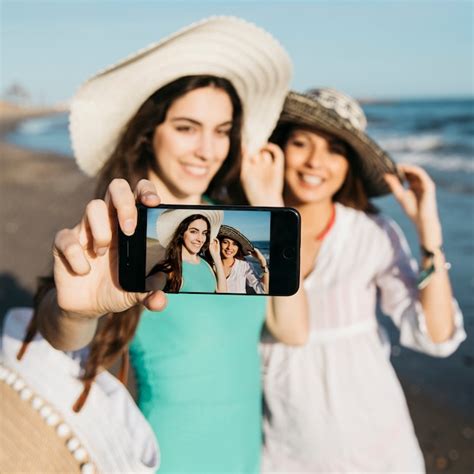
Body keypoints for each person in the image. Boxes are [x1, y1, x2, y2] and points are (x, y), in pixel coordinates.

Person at [23, 17, 308, 473]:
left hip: (244, 454)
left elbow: (292, 331)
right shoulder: (120, 236)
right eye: (186, 127)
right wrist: (73, 311)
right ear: (148, 132)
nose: (207, 150)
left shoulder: (234, 228)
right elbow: (64, 338)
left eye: (222, 130)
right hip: (169, 456)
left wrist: (272, 205)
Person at [243, 89, 466, 472]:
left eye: (335, 150)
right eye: (301, 143)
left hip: (373, 439)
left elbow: (435, 335)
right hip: (281, 441)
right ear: (277, 148)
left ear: (349, 166)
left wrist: (428, 234)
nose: (316, 161)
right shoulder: (245, 228)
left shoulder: (370, 234)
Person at [146, 210, 227, 293]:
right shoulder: (171, 269)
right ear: (181, 233)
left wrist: (217, 257)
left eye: (204, 233)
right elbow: (152, 283)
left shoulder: (206, 263)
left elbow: (222, 292)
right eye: (193, 232)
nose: (200, 239)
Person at [217, 224, 269, 294]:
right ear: (219, 243)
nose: (229, 247)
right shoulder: (210, 265)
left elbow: (263, 290)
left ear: (238, 247)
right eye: (225, 242)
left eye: (234, 244)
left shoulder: (244, 266)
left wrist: (262, 261)